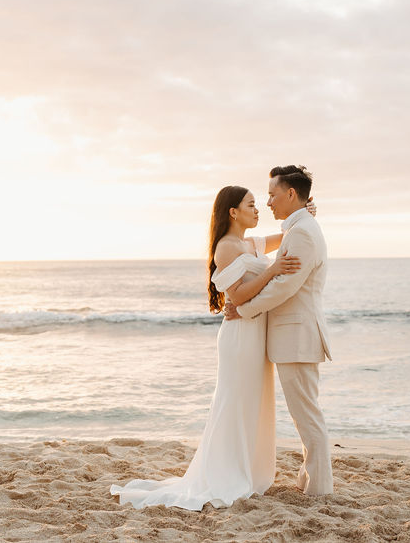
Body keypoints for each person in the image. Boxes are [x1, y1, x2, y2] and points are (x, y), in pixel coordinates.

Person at [110, 184, 313, 510]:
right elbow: (238, 296)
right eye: (250, 204)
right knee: (235, 403)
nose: (257, 208)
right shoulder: (226, 248)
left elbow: (285, 236)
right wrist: (273, 269)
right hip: (240, 338)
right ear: (233, 211)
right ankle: (227, 473)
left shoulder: (248, 243)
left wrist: (301, 213)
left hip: (254, 332)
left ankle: (248, 470)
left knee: (252, 404)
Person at [224, 165, 333, 496]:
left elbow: (285, 286)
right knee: (304, 415)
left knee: (307, 416)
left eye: (271, 195)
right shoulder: (299, 227)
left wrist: (243, 310)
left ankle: (319, 489)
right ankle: (309, 480)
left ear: (290, 194)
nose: (267, 202)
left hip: (297, 336)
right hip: (293, 336)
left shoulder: (301, 232)